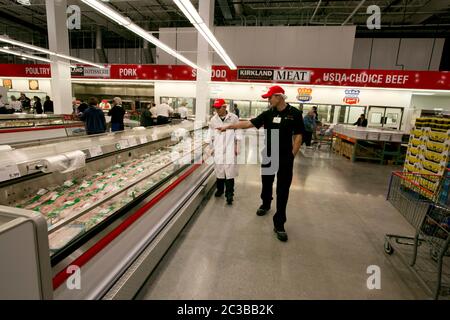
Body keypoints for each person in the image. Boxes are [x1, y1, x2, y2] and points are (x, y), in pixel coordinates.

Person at [218, 85, 305, 242]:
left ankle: (279, 223)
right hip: (269, 153)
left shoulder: (295, 113)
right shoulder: (268, 114)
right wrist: (230, 126)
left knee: (283, 189)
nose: (268, 100)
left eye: (270, 97)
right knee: (266, 182)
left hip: (286, 155)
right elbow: (249, 124)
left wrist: (292, 155)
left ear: (279, 97)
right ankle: (265, 203)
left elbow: (299, 135)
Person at [207, 99, 242, 205]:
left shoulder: (233, 118)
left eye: (219, 108)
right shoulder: (213, 119)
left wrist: (237, 146)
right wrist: (211, 148)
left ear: (224, 107)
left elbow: (238, 131)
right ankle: (220, 189)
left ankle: (229, 194)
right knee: (219, 170)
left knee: (229, 172)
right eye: (215, 108)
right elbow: (211, 134)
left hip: (230, 147)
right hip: (218, 148)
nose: (217, 110)